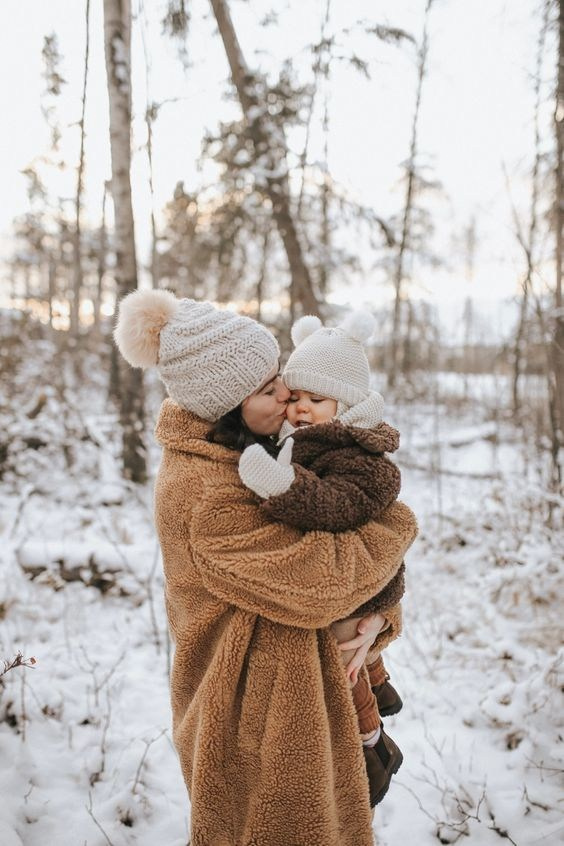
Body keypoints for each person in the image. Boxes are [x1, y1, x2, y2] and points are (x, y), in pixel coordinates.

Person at [114, 289, 417, 846]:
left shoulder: (255, 451)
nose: (286, 394)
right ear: (226, 404)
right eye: (267, 387)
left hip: (296, 700)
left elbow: (337, 537)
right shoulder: (209, 494)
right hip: (258, 724)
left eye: (280, 375)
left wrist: (378, 618)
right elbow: (322, 583)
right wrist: (398, 528)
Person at [238, 311, 406, 807]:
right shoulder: (314, 441)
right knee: (358, 653)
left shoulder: (357, 453)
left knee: (342, 663)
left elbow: (338, 507)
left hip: (363, 586)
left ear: (346, 404)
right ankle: (382, 688)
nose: (301, 410)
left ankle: (372, 746)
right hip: (358, 580)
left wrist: (282, 486)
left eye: (317, 400)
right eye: (298, 398)